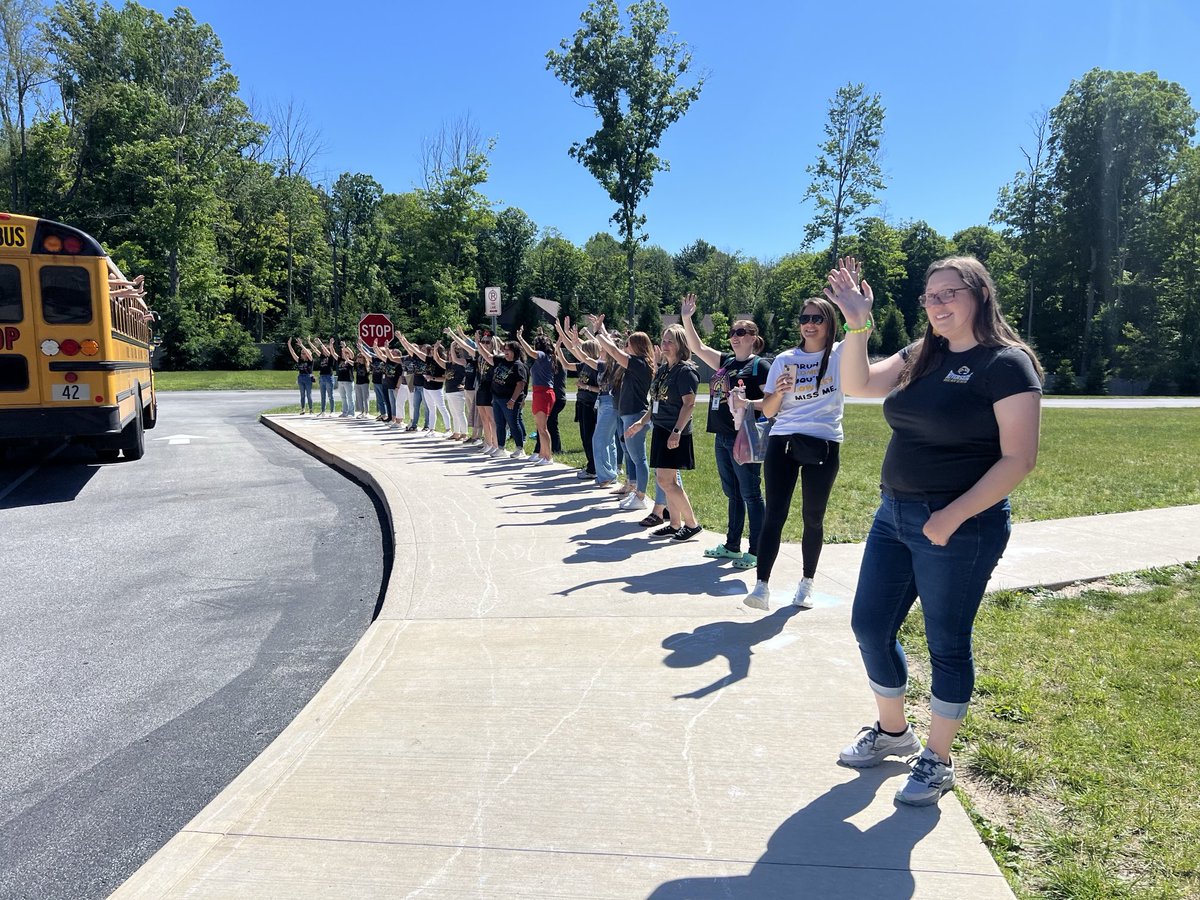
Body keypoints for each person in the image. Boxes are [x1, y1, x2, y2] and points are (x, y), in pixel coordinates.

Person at [826, 255, 1042, 808]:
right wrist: (857, 324)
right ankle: (895, 733)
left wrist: (951, 517)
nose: (938, 303)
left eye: (950, 292)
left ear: (979, 296)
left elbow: (1018, 459)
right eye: (931, 295)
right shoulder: (922, 354)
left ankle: (938, 761)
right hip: (893, 515)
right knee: (870, 625)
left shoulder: (1007, 364)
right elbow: (856, 383)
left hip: (960, 525)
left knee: (947, 642)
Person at [741, 296, 846, 613]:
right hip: (783, 440)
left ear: (829, 322)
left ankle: (807, 582)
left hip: (823, 440)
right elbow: (769, 411)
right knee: (776, 513)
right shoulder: (784, 359)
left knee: (812, 517)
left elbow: (861, 330)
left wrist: (857, 305)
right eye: (805, 318)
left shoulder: (840, 355)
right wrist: (780, 391)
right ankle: (761, 586)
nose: (809, 324)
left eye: (817, 318)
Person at [680, 293, 768, 570]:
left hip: (747, 437)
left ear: (754, 337)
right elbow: (697, 346)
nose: (735, 336)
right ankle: (732, 545)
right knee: (732, 493)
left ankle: (757, 549)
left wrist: (749, 404)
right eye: (733, 332)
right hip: (723, 435)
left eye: (741, 332)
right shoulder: (727, 362)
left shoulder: (760, 365)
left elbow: (773, 402)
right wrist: (686, 318)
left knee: (751, 493)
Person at [623, 324, 702, 540]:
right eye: (664, 340)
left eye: (670, 341)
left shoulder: (685, 371)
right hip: (660, 428)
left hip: (674, 431)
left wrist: (676, 431)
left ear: (681, 345)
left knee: (667, 481)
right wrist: (640, 422)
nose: (665, 345)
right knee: (665, 481)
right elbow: (655, 403)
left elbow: (689, 405)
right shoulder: (665, 370)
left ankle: (692, 524)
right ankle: (675, 524)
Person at [595, 324, 655, 510]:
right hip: (629, 415)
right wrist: (603, 332)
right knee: (634, 457)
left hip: (635, 415)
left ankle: (641, 497)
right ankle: (637, 492)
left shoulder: (639, 364)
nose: (625, 347)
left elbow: (613, 350)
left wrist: (598, 333)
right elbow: (615, 351)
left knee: (639, 459)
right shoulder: (637, 363)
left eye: (628, 344)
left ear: (637, 346)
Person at [516, 326, 557, 465]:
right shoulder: (548, 356)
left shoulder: (543, 355)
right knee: (540, 427)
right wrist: (541, 334)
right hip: (541, 392)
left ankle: (548, 457)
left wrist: (520, 338)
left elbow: (531, 352)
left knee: (543, 428)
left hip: (543, 393)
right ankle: (542, 454)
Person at [490, 340, 529, 458]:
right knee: (499, 424)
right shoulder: (502, 361)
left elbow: (521, 384)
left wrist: (512, 400)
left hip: (509, 400)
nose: (506, 352)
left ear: (515, 351)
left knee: (513, 423)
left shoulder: (518, 365)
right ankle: (501, 448)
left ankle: (520, 449)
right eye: (505, 350)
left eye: (508, 350)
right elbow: (487, 355)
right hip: (497, 398)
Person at [286, 338, 314, 414]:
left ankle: (311, 409)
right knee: (302, 395)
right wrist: (289, 344)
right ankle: (303, 409)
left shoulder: (310, 361)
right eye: (301, 353)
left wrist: (301, 345)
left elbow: (308, 354)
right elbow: (292, 353)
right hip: (301, 377)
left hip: (308, 377)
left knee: (309, 394)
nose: (302, 354)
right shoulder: (299, 360)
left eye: (304, 353)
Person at [336, 345, 355, 417]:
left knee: (350, 397)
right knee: (343, 397)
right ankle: (344, 412)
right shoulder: (340, 360)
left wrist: (345, 346)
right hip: (340, 381)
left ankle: (351, 413)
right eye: (342, 352)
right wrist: (331, 345)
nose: (343, 353)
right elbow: (333, 352)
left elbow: (352, 354)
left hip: (348, 381)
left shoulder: (350, 360)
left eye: (345, 352)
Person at [353, 350, 371, 418]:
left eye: (360, 357)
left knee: (365, 398)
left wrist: (362, 351)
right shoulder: (357, 364)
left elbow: (368, 371)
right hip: (358, 383)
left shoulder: (367, 364)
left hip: (365, 383)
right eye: (358, 357)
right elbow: (350, 361)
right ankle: (362, 412)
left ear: (364, 358)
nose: (359, 358)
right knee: (359, 398)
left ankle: (367, 412)